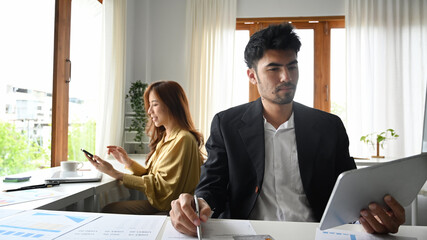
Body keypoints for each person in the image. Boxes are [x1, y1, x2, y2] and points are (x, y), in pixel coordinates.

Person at [169, 23, 405, 235]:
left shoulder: (328, 126)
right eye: (273, 69)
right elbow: (212, 185)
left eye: (292, 66)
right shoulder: (226, 124)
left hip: (313, 233)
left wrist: (376, 216)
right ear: (252, 76)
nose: (286, 77)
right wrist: (197, 206)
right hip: (249, 233)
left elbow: (351, 192)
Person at [84, 80, 204, 214]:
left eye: (155, 104)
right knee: (109, 209)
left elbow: (163, 187)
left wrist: (115, 173)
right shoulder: (166, 137)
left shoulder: (183, 139)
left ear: (171, 105)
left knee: (109, 210)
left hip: (171, 208)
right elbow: (153, 176)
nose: (149, 111)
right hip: (164, 204)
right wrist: (127, 162)